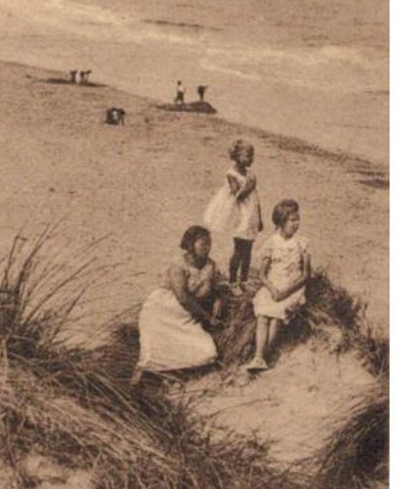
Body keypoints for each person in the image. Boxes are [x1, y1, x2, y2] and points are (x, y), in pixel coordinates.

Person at [132, 226, 224, 385]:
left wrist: (217, 303)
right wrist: (207, 317)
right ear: (190, 245)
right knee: (153, 353)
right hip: (161, 312)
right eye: (202, 244)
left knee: (207, 352)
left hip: (186, 317)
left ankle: (173, 377)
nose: (207, 247)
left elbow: (214, 290)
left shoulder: (210, 265)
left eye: (209, 244)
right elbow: (182, 297)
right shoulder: (178, 264)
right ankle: (140, 383)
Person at [245, 200, 311, 372]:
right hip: (273, 286)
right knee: (263, 315)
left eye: (298, 219)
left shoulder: (302, 243)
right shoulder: (271, 243)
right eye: (293, 220)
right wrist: (273, 289)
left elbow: (305, 275)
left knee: (277, 316)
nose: (297, 224)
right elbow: (262, 274)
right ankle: (258, 357)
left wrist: (286, 291)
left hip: (292, 287)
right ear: (281, 221)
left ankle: (265, 355)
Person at [202, 139, 263, 286]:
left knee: (248, 249)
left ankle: (244, 279)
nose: (251, 159)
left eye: (252, 156)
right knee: (238, 249)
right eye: (248, 156)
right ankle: (233, 280)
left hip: (250, 215)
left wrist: (260, 218)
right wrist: (249, 185)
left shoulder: (250, 175)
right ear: (237, 156)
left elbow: (256, 198)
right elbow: (238, 195)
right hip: (239, 216)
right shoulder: (232, 174)